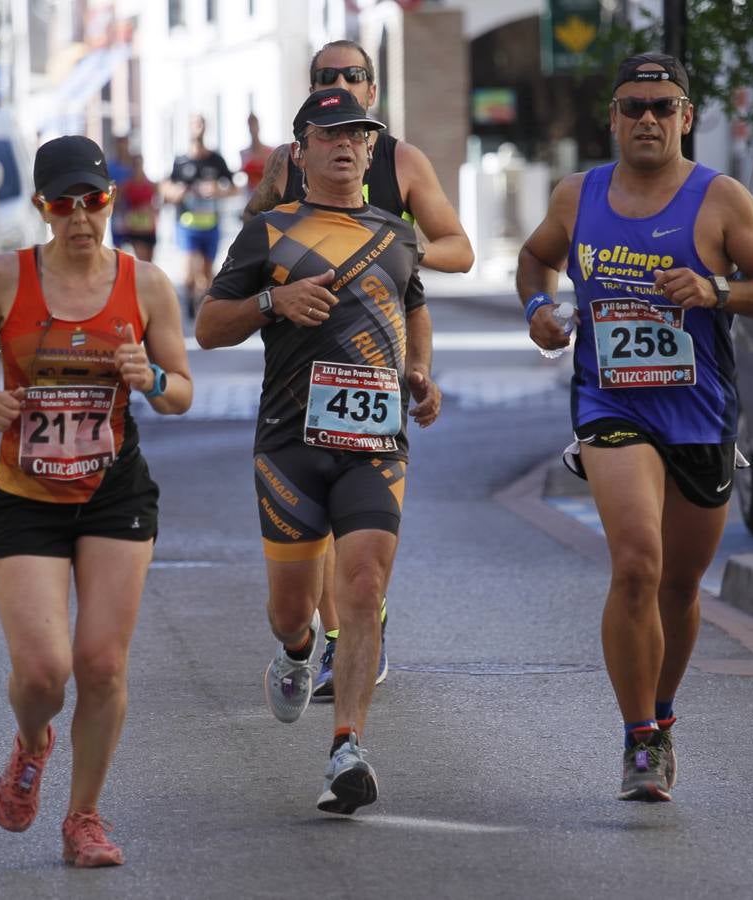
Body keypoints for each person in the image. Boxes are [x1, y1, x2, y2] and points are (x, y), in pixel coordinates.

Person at [516, 53, 753, 802]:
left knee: (677, 585)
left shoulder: (721, 200)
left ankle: (664, 714)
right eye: (633, 106)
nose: (647, 119)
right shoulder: (577, 196)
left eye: (662, 106)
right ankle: (638, 735)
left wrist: (715, 289)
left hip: (699, 413)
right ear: (611, 117)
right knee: (637, 563)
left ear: (684, 117)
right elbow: (534, 260)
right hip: (612, 406)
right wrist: (537, 313)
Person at [0, 134, 193, 864]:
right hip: (23, 495)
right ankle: (30, 741)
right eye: (63, 204)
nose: (81, 218)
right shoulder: (0, 278)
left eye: (94, 201)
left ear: (110, 200)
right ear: (43, 208)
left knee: (102, 666)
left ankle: (83, 817)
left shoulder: (145, 286)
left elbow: (182, 393)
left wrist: (149, 379)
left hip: (115, 493)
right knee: (45, 672)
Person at [195, 88, 441, 814]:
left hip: (374, 441)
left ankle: (346, 747)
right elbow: (208, 328)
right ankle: (297, 650)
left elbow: (414, 306)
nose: (345, 143)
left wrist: (420, 373)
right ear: (300, 151)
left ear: (371, 149)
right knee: (291, 610)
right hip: (289, 445)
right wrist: (273, 303)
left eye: (358, 133)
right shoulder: (269, 231)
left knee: (363, 585)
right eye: (328, 133)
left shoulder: (396, 234)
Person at [245, 38, 474, 703]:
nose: (341, 81)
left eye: (353, 75)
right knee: (308, 522)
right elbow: (252, 230)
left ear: (373, 91)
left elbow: (459, 249)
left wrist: (388, 248)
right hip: (299, 366)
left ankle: (352, 632)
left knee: (364, 520)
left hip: (376, 361)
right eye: (326, 77)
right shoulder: (288, 165)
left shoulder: (400, 160)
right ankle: (322, 634)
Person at [162, 114, 239, 318]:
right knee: (188, 274)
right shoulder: (181, 161)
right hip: (187, 225)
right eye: (194, 124)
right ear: (188, 128)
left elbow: (234, 188)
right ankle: (189, 302)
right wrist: (176, 193)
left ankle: (204, 307)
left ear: (206, 128)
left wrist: (217, 190)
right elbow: (165, 188)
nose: (198, 129)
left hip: (210, 224)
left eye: (201, 124)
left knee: (206, 275)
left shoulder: (216, 159)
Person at [113, 149, 159, 262]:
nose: (138, 167)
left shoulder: (151, 184)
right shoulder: (126, 185)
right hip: (135, 228)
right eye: (135, 164)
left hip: (149, 228)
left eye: (139, 164)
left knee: (150, 262)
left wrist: (152, 211)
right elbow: (117, 203)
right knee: (142, 261)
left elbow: (157, 203)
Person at [239, 111, 274, 199]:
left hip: (268, 196)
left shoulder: (270, 151)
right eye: (250, 125)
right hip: (250, 197)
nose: (253, 128)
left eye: (254, 124)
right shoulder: (243, 153)